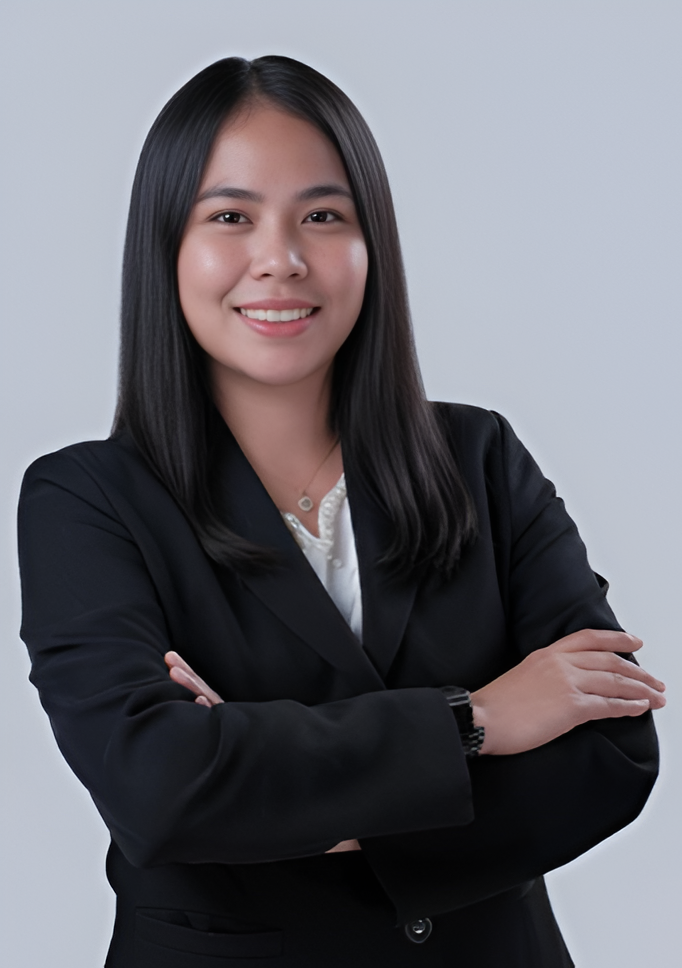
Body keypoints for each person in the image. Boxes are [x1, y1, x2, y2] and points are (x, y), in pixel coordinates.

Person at [17, 55, 664, 968]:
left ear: (373, 245)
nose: (281, 258)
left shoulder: (479, 457)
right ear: (166, 245)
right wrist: (477, 720)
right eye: (230, 216)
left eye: (323, 216)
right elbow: (158, 789)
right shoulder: (86, 499)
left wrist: (259, 785)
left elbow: (612, 754)